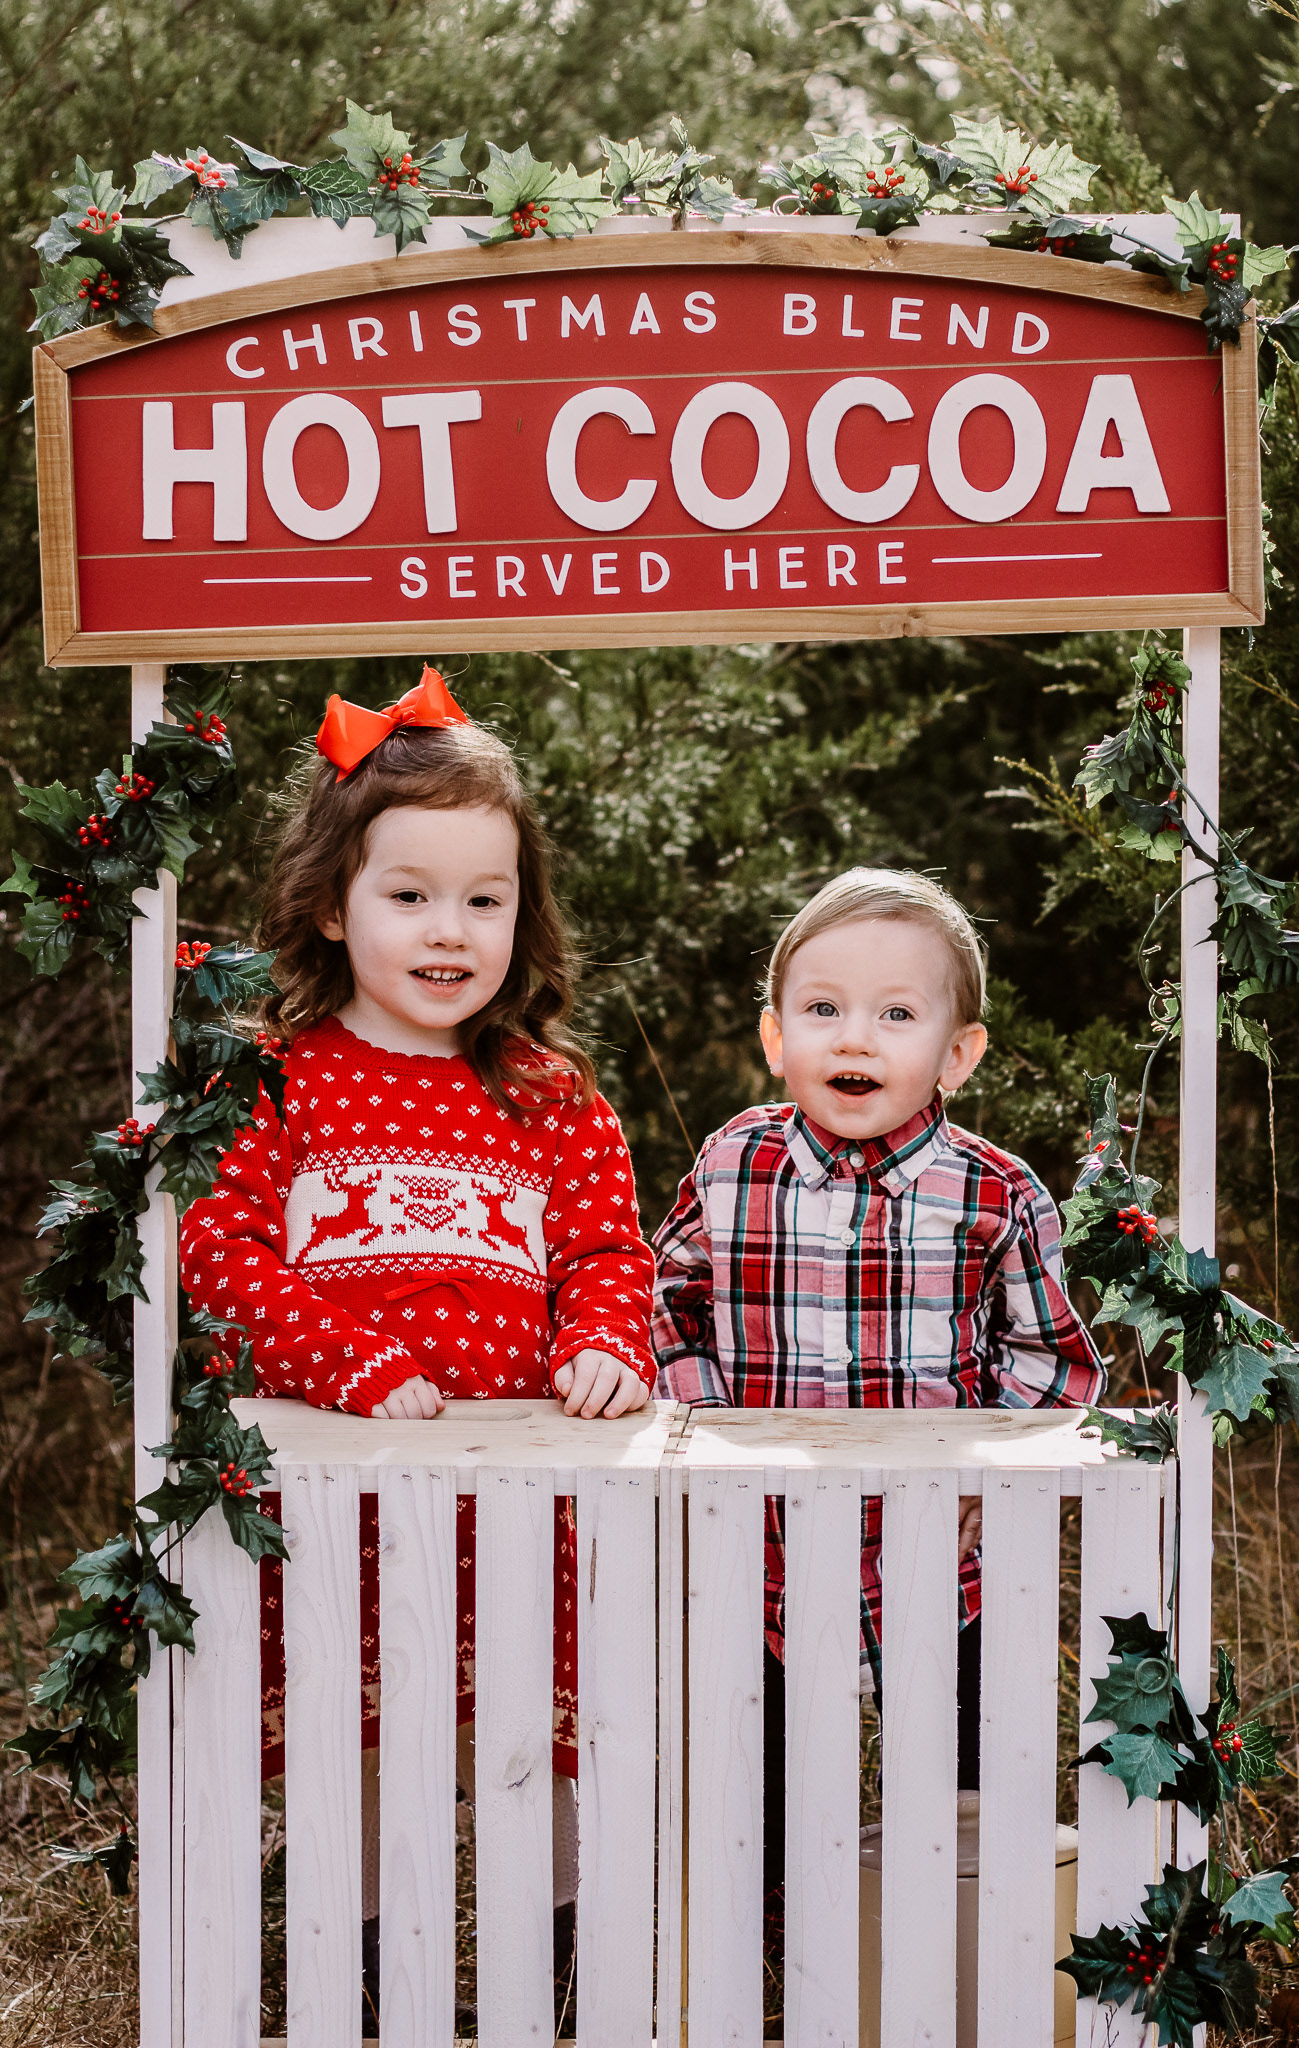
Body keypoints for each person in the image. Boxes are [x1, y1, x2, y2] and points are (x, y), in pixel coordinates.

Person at [181, 667, 655, 2033]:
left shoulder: (550, 1096)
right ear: (335, 905)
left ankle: (557, 1980)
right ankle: (369, 1982)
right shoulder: (274, 1075)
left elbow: (606, 1253)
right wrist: (353, 1362)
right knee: (368, 1736)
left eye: (483, 899)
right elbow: (221, 1253)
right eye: (409, 894)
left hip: (521, 1505)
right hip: (348, 1506)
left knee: (540, 1740)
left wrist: (602, 1340)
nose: (450, 929)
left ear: (522, 912)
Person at [650, 866, 1104, 1929]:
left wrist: (987, 1468)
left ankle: (943, 1931)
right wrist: (710, 1432)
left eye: (897, 1015)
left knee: (955, 1774)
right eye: (823, 1009)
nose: (855, 1038)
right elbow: (666, 1302)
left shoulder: (994, 1192)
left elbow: (1052, 1359)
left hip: (937, 1555)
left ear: (957, 1053)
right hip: (760, 1546)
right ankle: (772, 1926)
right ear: (776, 1037)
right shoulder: (734, 1163)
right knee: (757, 1768)